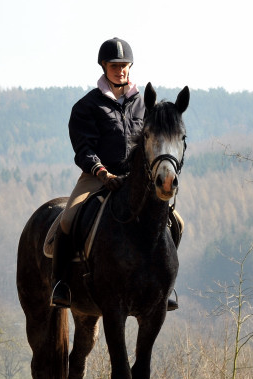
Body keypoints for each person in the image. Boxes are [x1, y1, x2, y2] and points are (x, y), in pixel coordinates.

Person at [50, 37, 180, 311]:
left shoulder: (144, 105)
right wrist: (101, 172)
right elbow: (83, 148)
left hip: (137, 179)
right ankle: (60, 283)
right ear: (104, 66)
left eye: (124, 65)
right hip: (97, 177)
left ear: (130, 67)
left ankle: (164, 285)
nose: (120, 70)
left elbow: (154, 141)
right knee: (68, 219)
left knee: (176, 221)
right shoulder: (87, 106)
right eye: (114, 65)